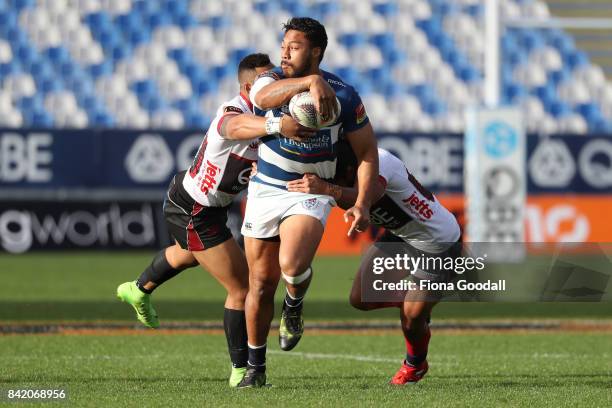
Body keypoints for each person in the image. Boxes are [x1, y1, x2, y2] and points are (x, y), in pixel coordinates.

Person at [116, 53, 315, 387]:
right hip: (195, 210)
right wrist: (278, 125)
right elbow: (232, 128)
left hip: (201, 204)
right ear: (250, 86)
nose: (276, 85)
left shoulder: (265, 115)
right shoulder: (234, 109)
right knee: (240, 287)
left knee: (187, 254)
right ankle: (241, 370)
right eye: (269, 79)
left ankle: (137, 289)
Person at [238, 17, 379, 388]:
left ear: (316, 50)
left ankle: (295, 303)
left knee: (291, 264)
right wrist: (307, 82)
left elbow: (366, 152)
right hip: (265, 189)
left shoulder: (343, 95)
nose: (284, 51)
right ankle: (256, 368)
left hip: (310, 189)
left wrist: (362, 202)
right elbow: (260, 99)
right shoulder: (271, 81)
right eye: (284, 44)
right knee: (260, 283)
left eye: (295, 46)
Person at [286, 141, 461, 385]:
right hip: (400, 237)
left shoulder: (380, 161)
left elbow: (365, 199)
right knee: (360, 298)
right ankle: (417, 305)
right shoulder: (345, 168)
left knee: (412, 318)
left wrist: (327, 188)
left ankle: (415, 365)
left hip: (437, 242)